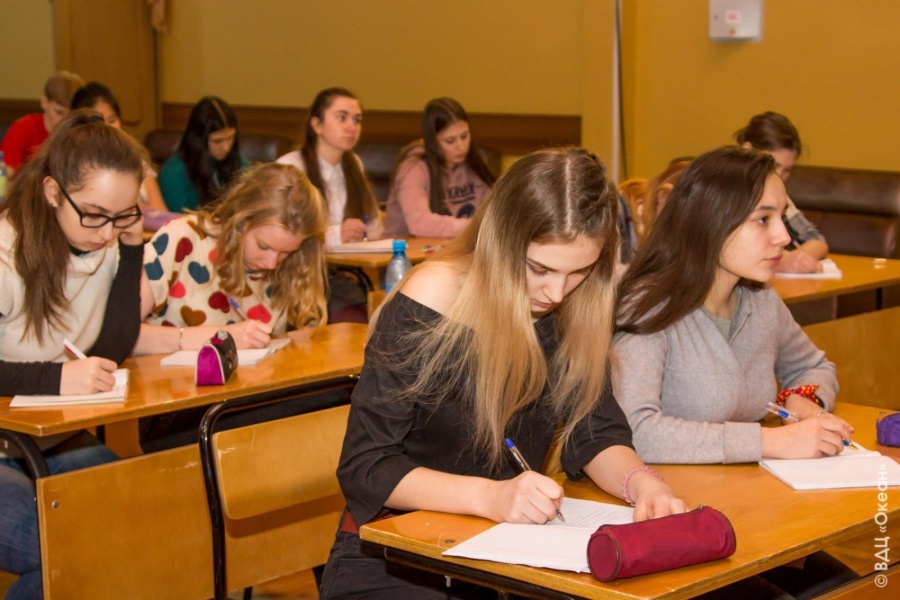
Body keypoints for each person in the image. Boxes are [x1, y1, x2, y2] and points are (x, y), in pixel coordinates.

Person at [320, 147, 687, 599]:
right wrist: (491, 497)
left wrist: (643, 485)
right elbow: (366, 466)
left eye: (579, 272)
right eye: (539, 269)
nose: (556, 292)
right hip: (395, 557)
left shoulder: (573, 307)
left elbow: (595, 432)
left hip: (503, 553)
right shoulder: (434, 298)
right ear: (501, 241)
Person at [612, 145, 856, 599]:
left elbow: (813, 364)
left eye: (781, 217)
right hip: (675, 521)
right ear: (711, 222)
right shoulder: (648, 305)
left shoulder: (759, 298)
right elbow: (635, 430)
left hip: (751, 507)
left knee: (849, 587)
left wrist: (803, 400)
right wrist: (771, 442)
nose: (783, 236)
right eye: (763, 220)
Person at [0, 111, 146, 599]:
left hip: (45, 438)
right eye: (94, 214)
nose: (105, 231)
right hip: (10, 443)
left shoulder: (108, 241)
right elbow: (61, 375)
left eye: (122, 216)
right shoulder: (6, 251)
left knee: (141, 522)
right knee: (61, 547)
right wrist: (57, 379)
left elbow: (112, 348)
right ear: (51, 192)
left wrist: (133, 249)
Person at [134, 162, 328, 450]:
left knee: (334, 399)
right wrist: (212, 339)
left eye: (286, 252)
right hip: (176, 405)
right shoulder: (183, 238)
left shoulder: (292, 266)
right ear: (240, 221)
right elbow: (122, 337)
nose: (271, 263)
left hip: (247, 397)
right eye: (263, 246)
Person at [277, 87, 383, 246]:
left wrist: (362, 232)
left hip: (350, 258)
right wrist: (336, 234)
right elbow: (281, 231)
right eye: (341, 118)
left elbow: (375, 225)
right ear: (317, 125)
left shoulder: (355, 163)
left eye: (357, 120)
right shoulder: (290, 167)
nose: (351, 127)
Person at [384, 97, 495, 238]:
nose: (461, 147)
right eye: (450, 141)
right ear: (433, 142)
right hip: (405, 249)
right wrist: (474, 227)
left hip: (456, 247)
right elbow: (419, 223)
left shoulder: (474, 166)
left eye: (464, 136)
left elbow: (494, 211)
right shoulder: (413, 168)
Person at [735, 112, 828, 274]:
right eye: (772, 165)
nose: (778, 176)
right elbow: (722, 247)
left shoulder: (778, 196)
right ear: (747, 150)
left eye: (787, 170)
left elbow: (816, 240)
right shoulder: (724, 192)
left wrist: (796, 259)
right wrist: (782, 261)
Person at [71, 81, 169, 212]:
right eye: (99, 123)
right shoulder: (75, 166)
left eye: (112, 120)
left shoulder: (136, 156)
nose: (108, 129)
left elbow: (161, 213)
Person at [158, 96, 249, 212]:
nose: (226, 147)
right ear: (199, 140)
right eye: (217, 141)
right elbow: (177, 218)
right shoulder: (174, 171)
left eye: (230, 138)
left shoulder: (238, 161)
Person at [0, 71, 84, 178]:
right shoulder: (24, 128)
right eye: (59, 112)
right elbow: (4, 176)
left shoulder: (82, 133)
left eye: (72, 114)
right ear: (44, 102)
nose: (66, 120)